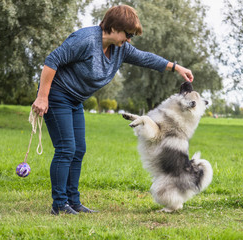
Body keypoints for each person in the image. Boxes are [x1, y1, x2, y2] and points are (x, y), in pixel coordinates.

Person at [32, 5, 194, 215]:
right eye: (127, 34)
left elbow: (146, 58)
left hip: (75, 100)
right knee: (66, 149)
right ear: (114, 27)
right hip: (57, 95)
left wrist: (176, 67)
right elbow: (52, 60)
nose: (128, 40)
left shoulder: (121, 49)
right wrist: (42, 97)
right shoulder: (85, 40)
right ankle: (60, 205)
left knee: (78, 150)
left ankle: (73, 202)